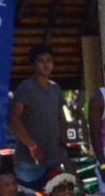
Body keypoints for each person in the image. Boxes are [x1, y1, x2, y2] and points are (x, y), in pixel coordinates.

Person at [6, 44, 69, 186]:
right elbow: (12, 119)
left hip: (53, 159)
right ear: (34, 65)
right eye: (41, 61)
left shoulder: (55, 88)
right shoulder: (26, 88)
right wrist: (33, 147)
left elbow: (61, 119)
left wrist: (63, 143)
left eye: (49, 60)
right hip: (29, 162)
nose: (46, 65)